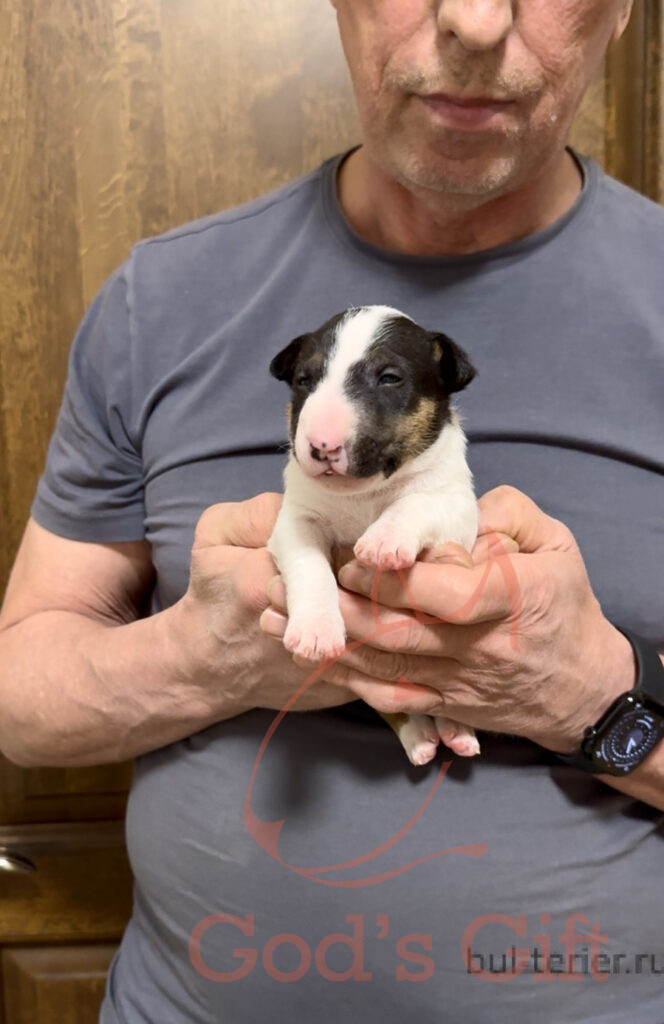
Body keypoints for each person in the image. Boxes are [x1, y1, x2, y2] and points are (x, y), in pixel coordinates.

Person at [1, 0, 663, 1020]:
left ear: (620, 13)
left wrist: (598, 700)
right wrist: (203, 657)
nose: (475, 19)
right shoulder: (158, 298)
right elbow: (17, 700)